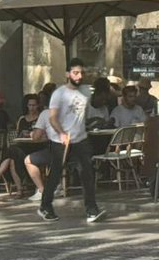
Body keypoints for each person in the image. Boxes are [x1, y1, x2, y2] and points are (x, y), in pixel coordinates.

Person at [38, 57, 107, 223]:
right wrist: (61, 133)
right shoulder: (59, 94)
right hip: (61, 141)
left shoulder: (86, 91)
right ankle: (45, 206)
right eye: (75, 73)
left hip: (80, 139)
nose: (79, 76)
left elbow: (86, 111)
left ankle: (92, 210)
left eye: (81, 73)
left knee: (87, 173)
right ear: (68, 74)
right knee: (55, 174)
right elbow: (53, 118)